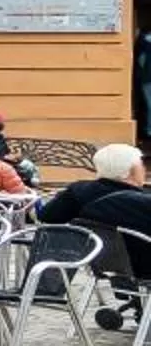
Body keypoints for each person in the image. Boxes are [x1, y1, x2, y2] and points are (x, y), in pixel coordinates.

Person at [36, 143, 151, 335]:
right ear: (130, 170)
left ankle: (141, 308)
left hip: (102, 263)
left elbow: (47, 216)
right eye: (141, 165)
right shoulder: (144, 202)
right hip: (145, 267)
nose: (144, 169)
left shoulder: (78, 192)